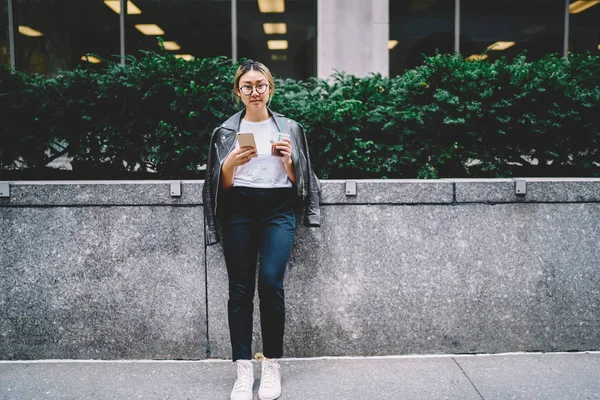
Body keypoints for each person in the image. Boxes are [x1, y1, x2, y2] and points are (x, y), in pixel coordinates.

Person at [202, 60, 321, 400]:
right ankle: (243, 370)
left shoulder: (289, 128)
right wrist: (229, 165)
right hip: (237, 210)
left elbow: (304, 180)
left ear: (270, 88)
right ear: (238, 92)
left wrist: (288, 163)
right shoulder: (225, 132)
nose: (254, 92)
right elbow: (215, 187)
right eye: (247, 86)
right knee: (239, 291)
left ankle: (270, 365)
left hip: (278, 210)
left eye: (260, 85)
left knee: (270, 282)